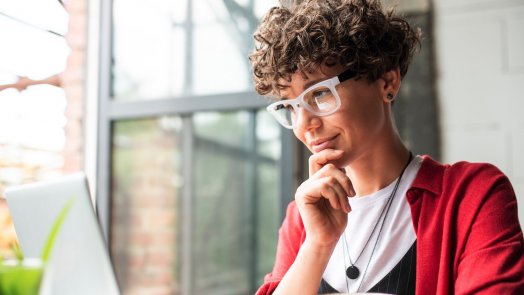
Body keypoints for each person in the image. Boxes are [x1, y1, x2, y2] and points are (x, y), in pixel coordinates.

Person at [249, 0, 524, 294]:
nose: (304, 125)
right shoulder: (302, 217)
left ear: (386, 81)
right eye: (290, 106)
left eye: (319, 94)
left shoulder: (471, 196)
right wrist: (317, 246)